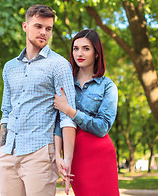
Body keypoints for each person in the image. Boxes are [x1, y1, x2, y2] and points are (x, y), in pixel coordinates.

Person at [0, 4, 76, 196]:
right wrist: (1, 151)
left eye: (48, 29)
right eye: (38, 26)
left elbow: (67, 115)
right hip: (9, 153)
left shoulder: (59, 65)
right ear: (25, 26)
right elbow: (6, 112)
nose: (44, 33)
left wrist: (67, 159)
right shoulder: (9, 67)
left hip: (40, 153)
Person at [54, 29, 120, 196]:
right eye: (75, 48)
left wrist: (70, 111)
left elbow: (102, 127)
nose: (79, 53)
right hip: (75, 152)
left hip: (101, 151)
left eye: (86, 48)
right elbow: (58, 122)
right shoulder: (65, 82)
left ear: (96, 53)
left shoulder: (107, 86)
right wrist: (58, 154)